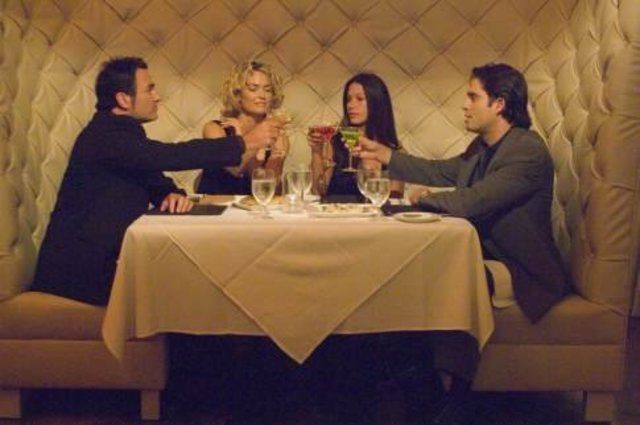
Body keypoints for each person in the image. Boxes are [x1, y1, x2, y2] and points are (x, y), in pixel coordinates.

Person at [357, 63, 571, 424]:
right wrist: (385, 155)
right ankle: (415, 386)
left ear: (499, 104)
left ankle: (442, 399)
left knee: (432, 281)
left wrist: (422, 198)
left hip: (518, 268)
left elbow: (473, 201)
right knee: (408, 273)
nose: (465, 104)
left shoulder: (526, 150)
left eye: (473, 96)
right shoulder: (483, 148)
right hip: (486, 255)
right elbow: (441, 171)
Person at [31, 56, 280, 306]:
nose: (157, 96)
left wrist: (170, 194)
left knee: (202, 280)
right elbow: (169, 156)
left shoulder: (124, 135)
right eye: (149, 89)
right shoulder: (105, 137)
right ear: (123, 99)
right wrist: (246, 142)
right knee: (196, 289)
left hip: (104, 262)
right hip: (78, 273)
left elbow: (152, 177)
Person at [196, 61, 289, 194]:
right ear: (237, 95)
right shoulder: (214, 129)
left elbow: (270, 190)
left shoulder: (277, 136)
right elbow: (233, 169)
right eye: (253, 88)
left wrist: (275, 155)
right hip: (214, 204)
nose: (262, 95)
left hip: (254, 206)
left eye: (268, 90)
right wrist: (241, 138)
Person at [308, 72, 404, 199]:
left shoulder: (393, 150)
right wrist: (316, 152)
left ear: (377, 103)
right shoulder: (334, 142)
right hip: (335, 211)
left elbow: (395, 199)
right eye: (348, 99)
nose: (350, 105)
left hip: (376, 212)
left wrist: (373, 170)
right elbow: (317, 192)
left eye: (360, 99)